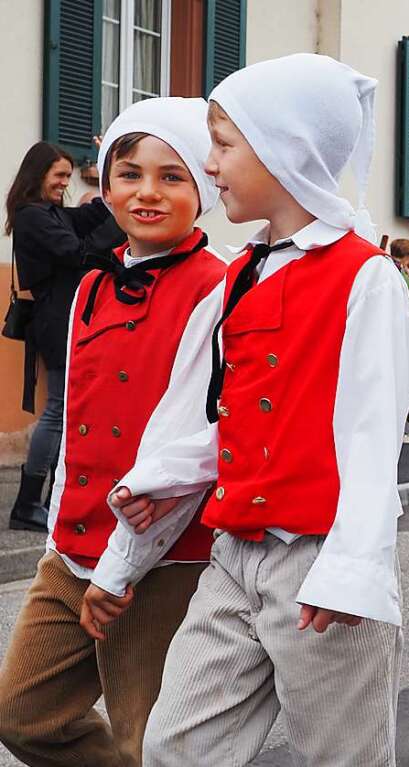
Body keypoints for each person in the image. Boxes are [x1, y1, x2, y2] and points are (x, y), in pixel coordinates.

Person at [108, 54, 409, 765]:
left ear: (286, 149)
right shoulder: (244, 268)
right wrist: (166, 472)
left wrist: (351, 570)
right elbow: (240, 415)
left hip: (318, 555)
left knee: (341, 756)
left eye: (223, 143)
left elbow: (372, 437)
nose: (209, 162)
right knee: (176, 745)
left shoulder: (364, 276)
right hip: (235, 551)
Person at [0, 97, 223, 767]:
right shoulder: (91, 287)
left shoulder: (219, 288)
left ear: (204, 188)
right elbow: (74, 423)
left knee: (148, 736)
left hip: (163, 559)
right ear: (106, 184)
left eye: (171, 176)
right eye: (128, 173)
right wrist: (56, 536)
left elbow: (193, 450)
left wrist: (126, 563)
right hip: (72, 550)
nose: (147, 192)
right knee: (23, 714)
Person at [4, 142, 123, 532]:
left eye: (68, 176)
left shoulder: (49, 213)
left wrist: (113, 170)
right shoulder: (33, 217)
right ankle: (27, 503)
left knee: (66, 408)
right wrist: (116, 224)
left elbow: (87, 217)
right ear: (38, 175)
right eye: (58, 175)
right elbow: (78, 251)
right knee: (57, 409)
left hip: (64, 319)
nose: (64, 183)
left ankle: (53, 496)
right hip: (57, 322)